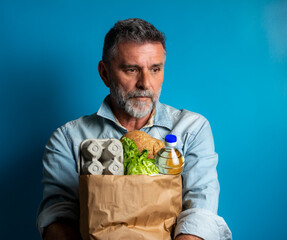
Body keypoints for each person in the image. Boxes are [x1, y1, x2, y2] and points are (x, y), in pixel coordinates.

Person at [36, 18, 232, 240]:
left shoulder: (191, 129)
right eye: (131, 69)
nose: (145, 83)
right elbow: (57, 217)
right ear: (105, 73)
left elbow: (200, 211)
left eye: (155, 69)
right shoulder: (68, 139)